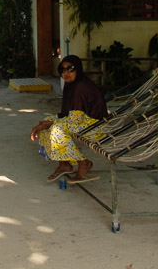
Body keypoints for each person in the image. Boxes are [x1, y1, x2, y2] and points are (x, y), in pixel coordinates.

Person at [30, 55, 108, 184]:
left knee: (56, 129)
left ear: (77, 69)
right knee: (46, 122)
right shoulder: (70, 85)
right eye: (62, 70)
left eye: (70, 69)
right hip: (81, 121)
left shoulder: (81, 86)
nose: (66, 73)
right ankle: (64, 164)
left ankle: (84, 163)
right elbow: (67, 114)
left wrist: (50, 124)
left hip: (95, 126)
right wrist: (47, 122)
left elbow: (74, 119)